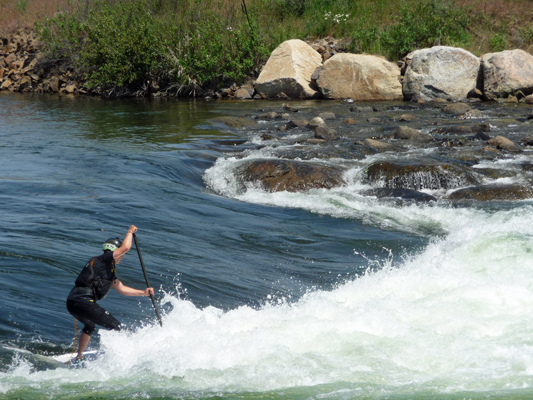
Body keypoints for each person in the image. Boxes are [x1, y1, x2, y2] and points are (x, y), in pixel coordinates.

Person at [66, 225, 154, 360]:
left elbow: (122, 289)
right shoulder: (102, 260)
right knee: (117, 326)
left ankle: (79, 356)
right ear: (114, 251)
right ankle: (122, 358)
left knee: (90, 325)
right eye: (122, 255)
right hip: (83, 301)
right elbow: (125, 247)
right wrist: (130, 232)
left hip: (73, 301)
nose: (123, 257)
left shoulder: (105, 269)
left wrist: (143, 292)